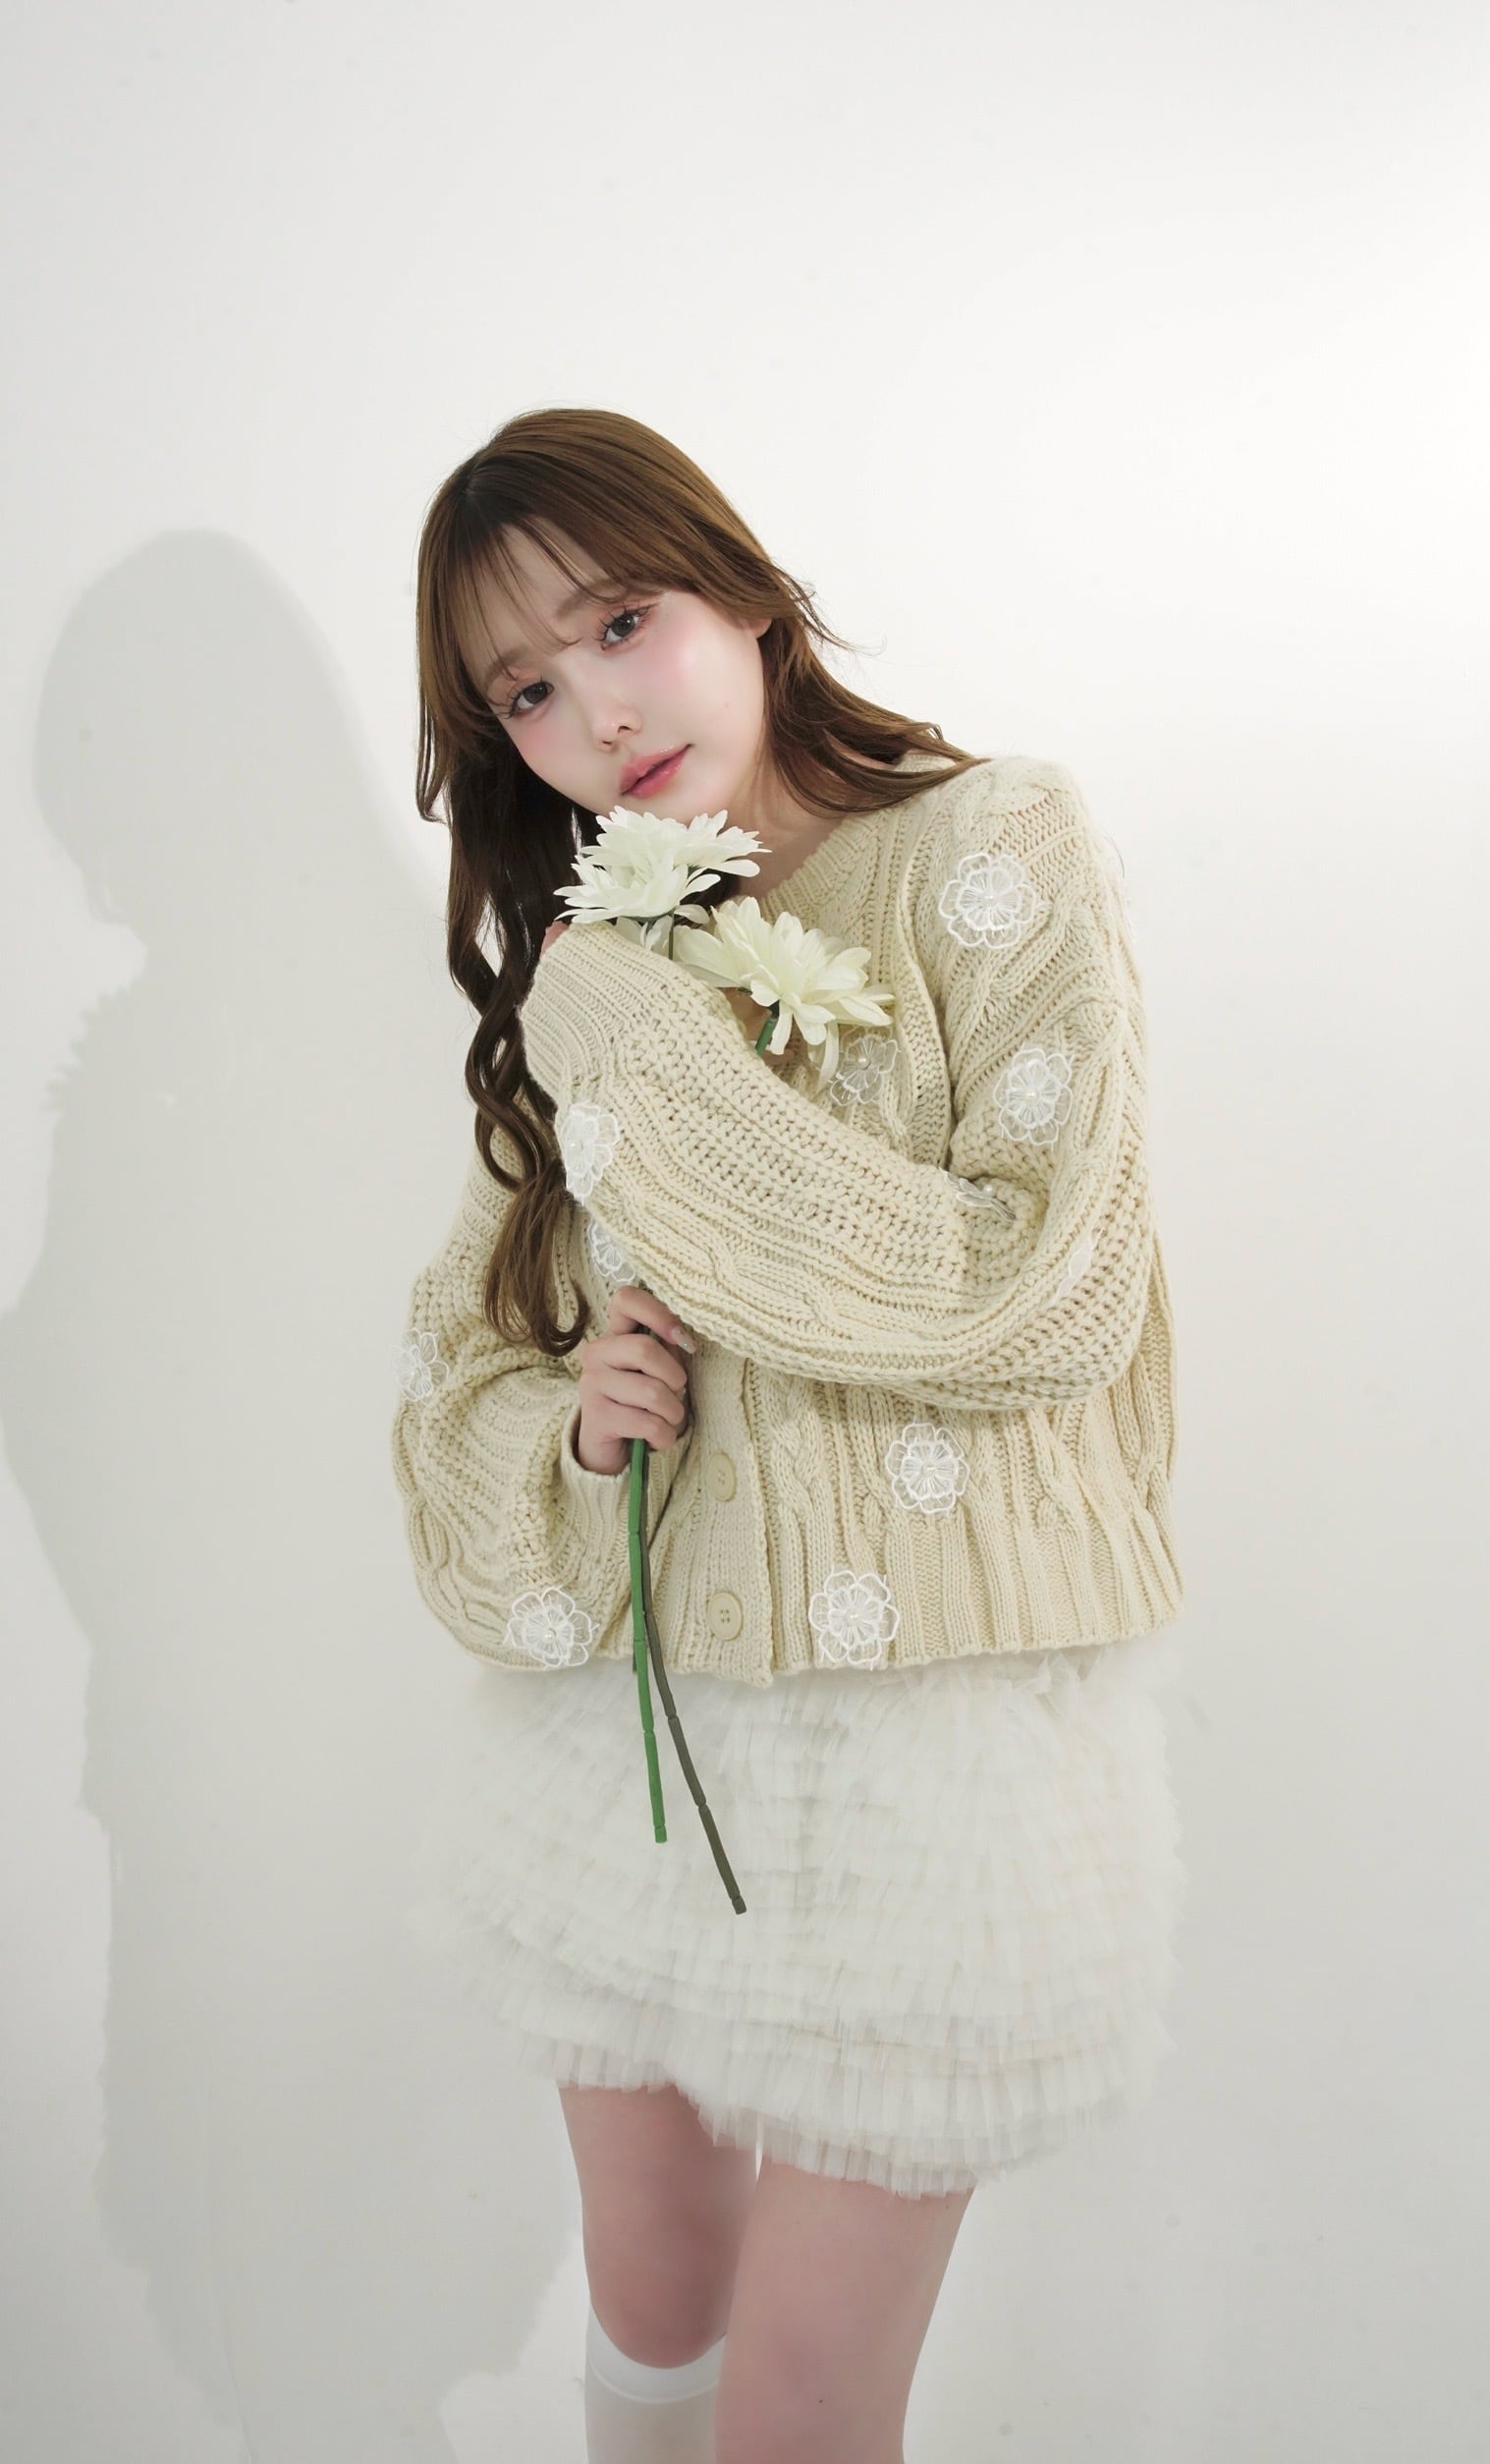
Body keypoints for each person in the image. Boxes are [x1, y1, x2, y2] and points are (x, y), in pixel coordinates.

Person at [391, 406, 1187, 2464]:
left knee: (804, 2402)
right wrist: (582, 1430)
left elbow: (1042, 1295)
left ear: (743, 592)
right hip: (638, 1735)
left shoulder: (991, 847)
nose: (595, 713)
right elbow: (463, 1369)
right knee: (653, 2283)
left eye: (621, 621)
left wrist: (635, 1048)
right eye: (525, 692)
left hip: (937, 1740)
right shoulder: (601, 948)